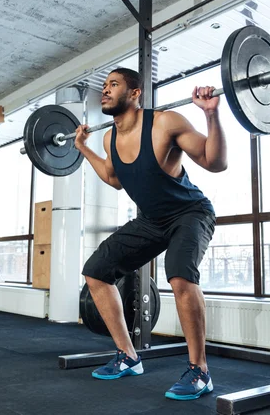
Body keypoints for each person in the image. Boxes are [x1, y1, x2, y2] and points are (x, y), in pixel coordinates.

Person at [75, 67, 227, 401]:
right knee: (96, 272)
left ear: (134, 93)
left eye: (113, 84)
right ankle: (128, 356)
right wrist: (83, 147)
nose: (105, 90)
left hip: (190, 214)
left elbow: (214, 162)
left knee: (180, 276)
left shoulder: (165, 123)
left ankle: (200, 371)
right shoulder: (108, 137)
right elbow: (114, 178)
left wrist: (212, 115)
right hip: (152, 220)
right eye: (103, 86)